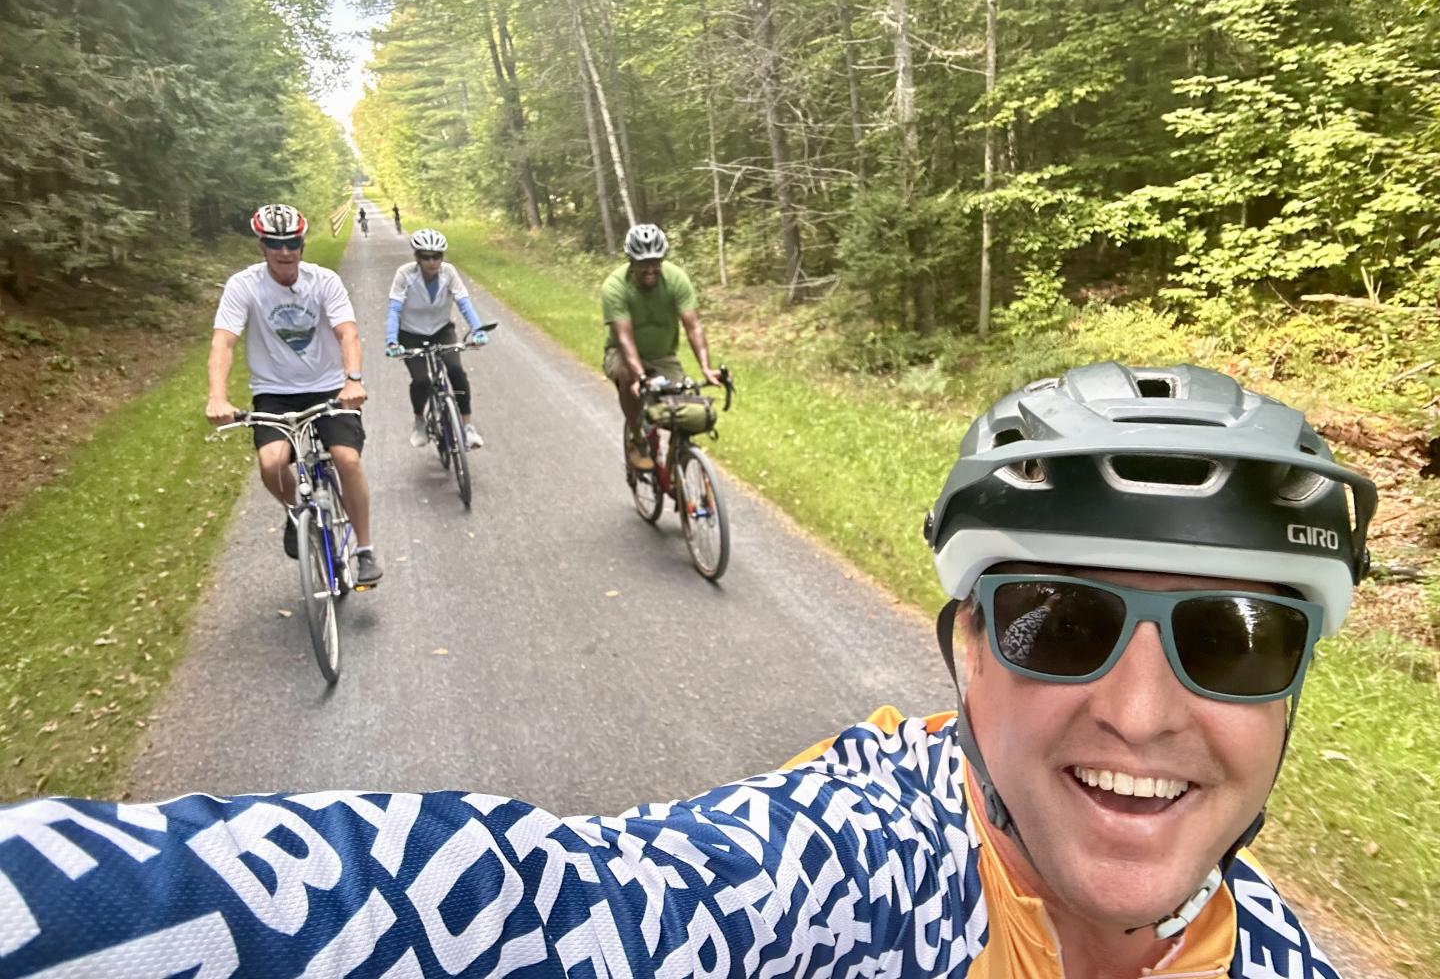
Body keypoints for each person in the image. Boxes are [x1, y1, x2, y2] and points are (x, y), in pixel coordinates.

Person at [0, 363, 1371, 976]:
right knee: (630, 416)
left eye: (1233, 639)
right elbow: (534, 908)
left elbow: (692, 325)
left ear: (1298, 680)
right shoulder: (850, 874)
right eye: (1059, 622)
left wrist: (701, 365)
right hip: (614, 360)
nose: (1140, 709)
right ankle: (641, 476)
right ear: (966, 650)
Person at [204, 203, 383, 587]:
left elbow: (347, 333)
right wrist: (217, 395)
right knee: (271, 464)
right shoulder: (244, 286)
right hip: (275, 393)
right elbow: (224, 342)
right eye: (274, 243)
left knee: (346, 459)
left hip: (330, 388)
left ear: (302, 244)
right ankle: (294, 513)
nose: (284, 251)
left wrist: (353, 380)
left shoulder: (324, 282)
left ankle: (365, 549)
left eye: (292, 242)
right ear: (262, 246)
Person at [603, 222, 720, 470]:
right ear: (631, 261)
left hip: (663, 357)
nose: (650, 268)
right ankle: (637, 437)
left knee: (682, 407)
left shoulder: (676, 279)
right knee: (627, 376)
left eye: (655, 261)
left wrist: (706, 368)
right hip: (621, 354)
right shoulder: (614, 287)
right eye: (643, 262)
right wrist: (640, 377)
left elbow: (694, 327)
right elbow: (625, 339)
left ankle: (677, 465)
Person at [384, 229, 489, 449]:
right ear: (417, 257)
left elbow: (463, 302)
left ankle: (468, 426)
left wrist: (478, 330)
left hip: (441, 329)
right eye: (426, 257)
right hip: (411, 333)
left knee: (456, 371)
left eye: (437, 256)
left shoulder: (449, 273)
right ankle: (419, 421)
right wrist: (392, 341)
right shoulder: (404, 274)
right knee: (421, 380)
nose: (432, 262)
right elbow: (394, 308)